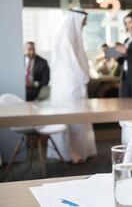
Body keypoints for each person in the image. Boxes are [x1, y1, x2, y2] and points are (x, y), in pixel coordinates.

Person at [48, 8, 97, 163]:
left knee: (79, 120)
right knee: (73, 119)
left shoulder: (72, 34)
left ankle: (80, 151)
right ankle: (72, 154)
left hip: (72, 83)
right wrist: (84, 77)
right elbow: (73, 63)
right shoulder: (67, 35)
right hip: (69, 85)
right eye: (83, 21)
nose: (84, 24)